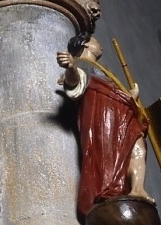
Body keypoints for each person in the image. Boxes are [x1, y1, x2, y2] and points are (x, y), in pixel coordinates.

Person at [56, 32, 154, 217]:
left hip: (123, 116)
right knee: (107, 159)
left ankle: (137, 189)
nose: (100, 45)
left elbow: (113, 94)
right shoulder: (82, 64)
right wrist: (70, 67)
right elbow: (75, 85)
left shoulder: (102, 69)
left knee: (138, 147)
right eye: (95, 41)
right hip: (102, 118)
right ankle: (109, 192)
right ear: (86, 45)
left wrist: (130, 97)